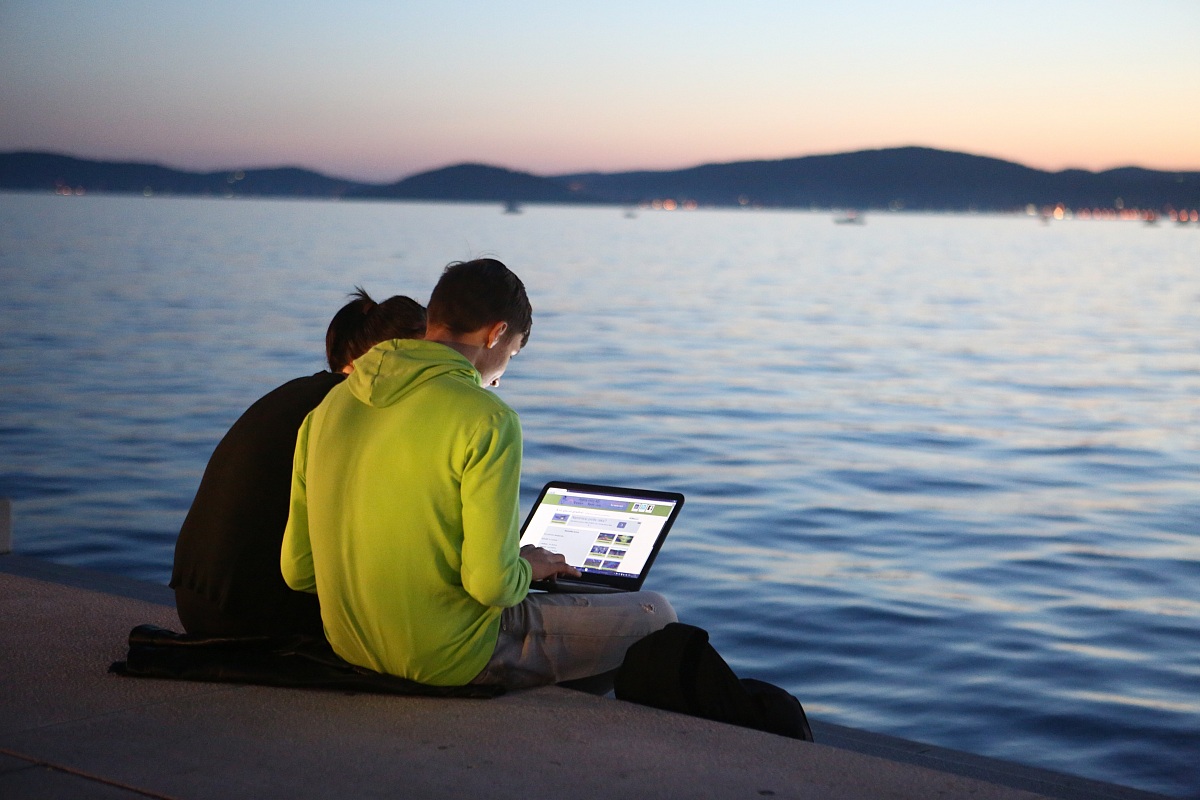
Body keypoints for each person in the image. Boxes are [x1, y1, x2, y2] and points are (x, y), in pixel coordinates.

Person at [282, 259, 676, 689]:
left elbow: (299, 570)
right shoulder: (487, 417)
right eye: (512, 354)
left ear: (434, 320)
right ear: (496, 333)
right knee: (655, 614)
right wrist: (526, 566)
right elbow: (493, 587)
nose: (501, 376)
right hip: (447, 659)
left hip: (352, 649)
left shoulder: (327, 410)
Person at [171, 288, 426, 637]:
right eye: (423, 356)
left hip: (196, 603)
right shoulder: (350, 411)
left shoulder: (300, 393)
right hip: (253, 618)